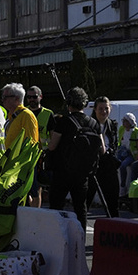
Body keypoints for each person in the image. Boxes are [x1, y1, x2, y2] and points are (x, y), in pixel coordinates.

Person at [47, 87, 103, 235]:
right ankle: (81, 239)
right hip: (84, 173)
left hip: (63, 171)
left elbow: (52, 146)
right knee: (81, 207)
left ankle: (57, 237)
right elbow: (102, 149)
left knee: (57, 206)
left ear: (69, 103)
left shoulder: (64, 122)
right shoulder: (94, 123)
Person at [88, 96, 120, 217]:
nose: (104, 112)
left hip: (108, 165)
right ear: (95, 110)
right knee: (87, 199)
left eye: (106, 108)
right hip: (92, 165)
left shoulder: (112, 124)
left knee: (112, 200)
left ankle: (115, 227)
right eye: (100, 109)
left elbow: (114, 143)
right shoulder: (89, 124)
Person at [24, 86, 54, 208]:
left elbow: (52, 136)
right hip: (25, 156)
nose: (32, 99)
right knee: (25, 187)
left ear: (40, 97)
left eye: (34, 96)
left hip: (40, 157)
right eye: (29, 97)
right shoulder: (23, 113)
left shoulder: (48, 114)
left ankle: (35, 212)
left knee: (37, 188)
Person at [115, 112, 138, 194]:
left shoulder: (136, 132)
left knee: (123, 165)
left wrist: (137, 159)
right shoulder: (122, 129)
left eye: (126, 121)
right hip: (122, 151)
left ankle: (123, 186)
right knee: (114, 163)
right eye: (123, 121)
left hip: (132, 154)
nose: (124, 123)